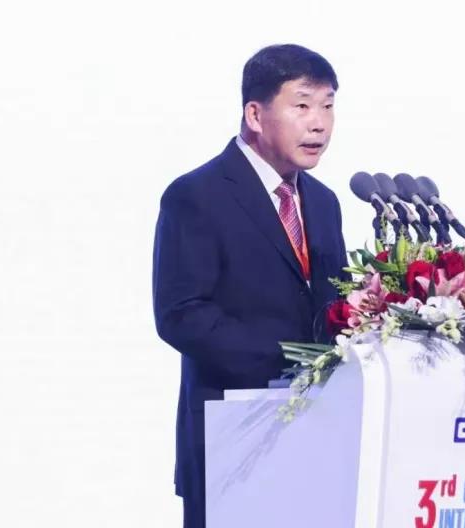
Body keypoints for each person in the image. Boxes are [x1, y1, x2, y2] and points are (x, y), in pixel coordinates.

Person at [152, 44, 348, 528]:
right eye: (302, 105)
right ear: (255, 115)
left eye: (327, 106)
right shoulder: (196, 195)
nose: (319, 124)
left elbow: (335, 306)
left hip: (319, 442)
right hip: (232, 438)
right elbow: (182, 314)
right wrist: (292, 361)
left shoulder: (323, 202)